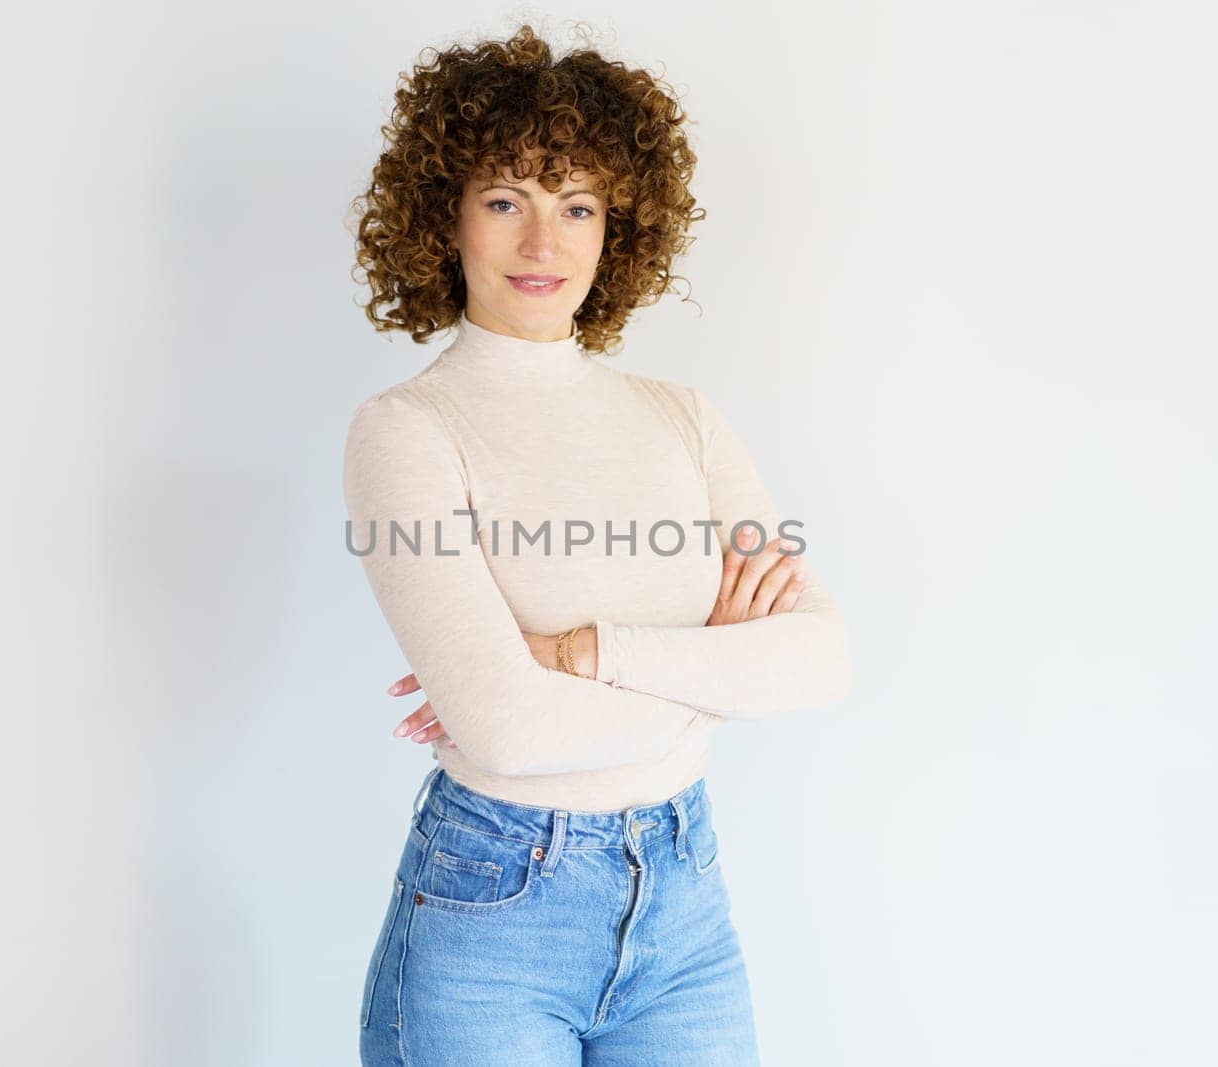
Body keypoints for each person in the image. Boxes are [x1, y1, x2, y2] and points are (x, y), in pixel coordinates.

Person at [342, 23, 852, 1065]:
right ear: (443, 217)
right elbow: (512, 735)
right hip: (494, 912)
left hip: (684, 901)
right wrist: (720, 662)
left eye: (576, 205)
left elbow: (820, 658)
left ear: (617, 224)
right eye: (505, 201)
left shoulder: (682, 416)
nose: (544, 243)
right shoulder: (405, 430)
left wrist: (581, 652)